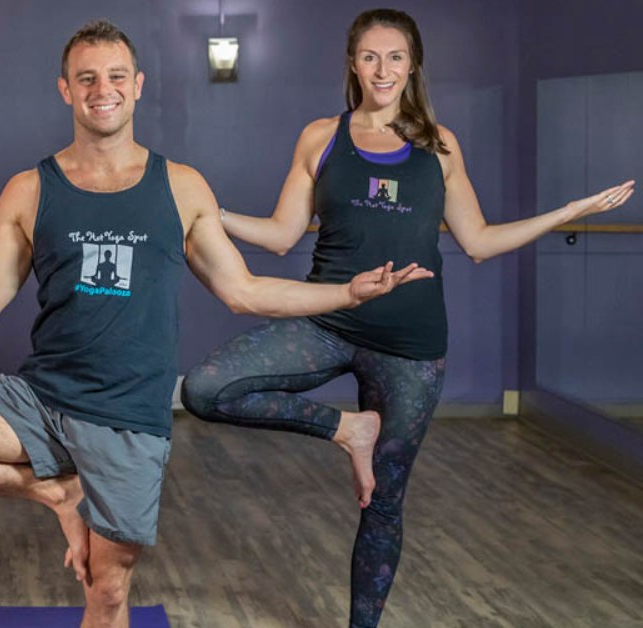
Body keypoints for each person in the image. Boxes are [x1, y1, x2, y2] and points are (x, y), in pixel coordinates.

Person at [0, 20, 431, 628]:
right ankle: (55, 493)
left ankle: (77, 511)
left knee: (106, 594)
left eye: (116, 77)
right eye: (88, 78)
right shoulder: (29, 189)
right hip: (42, 397)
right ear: (65, 89)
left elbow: (244, 291)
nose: (103, 90)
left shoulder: (181, 187)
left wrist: (345, 293)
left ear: (138, 85)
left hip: (129, 418)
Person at [180, 9, 635, 627]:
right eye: (370, 56)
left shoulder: (440, 147)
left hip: (411, 347)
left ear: (413, 64)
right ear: (352, 63)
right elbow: (281, 235)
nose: (383, 69)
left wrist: (563, 213)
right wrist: (204, 208)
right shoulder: (322, 137)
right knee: (206, 389)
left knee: (384, 501)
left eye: (395, 57)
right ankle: (348, 431)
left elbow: (477, 240)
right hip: (328, 323)